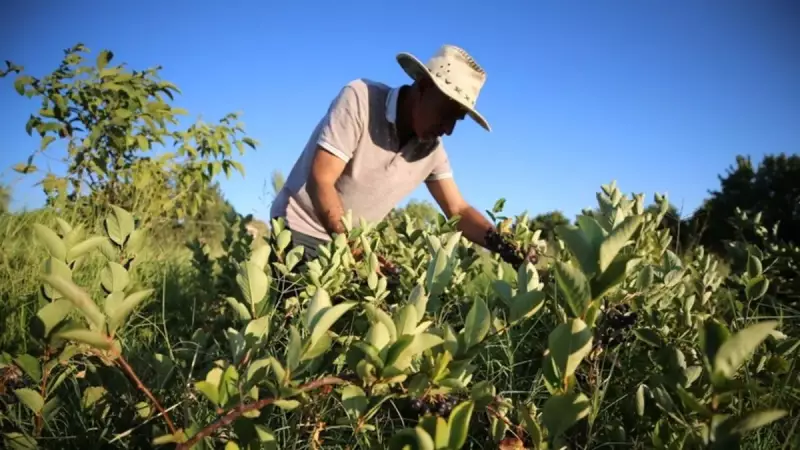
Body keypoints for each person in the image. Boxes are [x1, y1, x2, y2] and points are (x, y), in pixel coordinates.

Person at [270, 44, 537, 272]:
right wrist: (357, 252)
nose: (448, 129)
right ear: (423, 87)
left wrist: (506, 247)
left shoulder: (432, 150)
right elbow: (321, 179)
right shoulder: (361, 99)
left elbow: (458, 210)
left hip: (349, 246)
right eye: (445, 114)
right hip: (299, 229)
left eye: (457, 120)